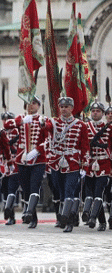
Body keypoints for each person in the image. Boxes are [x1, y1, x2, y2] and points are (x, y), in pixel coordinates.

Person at [46, 97, 89, 232]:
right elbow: (45, 129)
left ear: (71, 108)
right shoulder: (53, 123)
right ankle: (63, 217)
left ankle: (68, 220)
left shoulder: (80, 125)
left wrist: (84, 167)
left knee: (69, 191)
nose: (64, 109)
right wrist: (41, 122)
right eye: (61, 106)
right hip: (56, 162)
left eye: (66, 106)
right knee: (59, 191)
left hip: (73, 163)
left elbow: (85, 147)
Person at [5, 96, 48, 228]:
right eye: (28, 103)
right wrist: (22, 120)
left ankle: (31, 215)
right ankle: (31, 215)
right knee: (26, 189)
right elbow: (7, 125)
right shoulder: (21, 118)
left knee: (35, 185)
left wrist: (37, 150)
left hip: (38, 160)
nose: (31, 106)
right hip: (22, 160)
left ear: (38, 106)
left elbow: (48, 139)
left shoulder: (43, 120)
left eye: (34, 103)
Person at [84, 100, 112, 230]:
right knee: (90, 193)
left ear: (102, 113)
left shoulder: (109, 128)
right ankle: (101, 222)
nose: (95, 113)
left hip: (104, 163)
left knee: (98, 191)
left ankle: (92, 218)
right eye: (93, 111)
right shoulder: (86, 126)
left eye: (98, 111)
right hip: (90, 165)